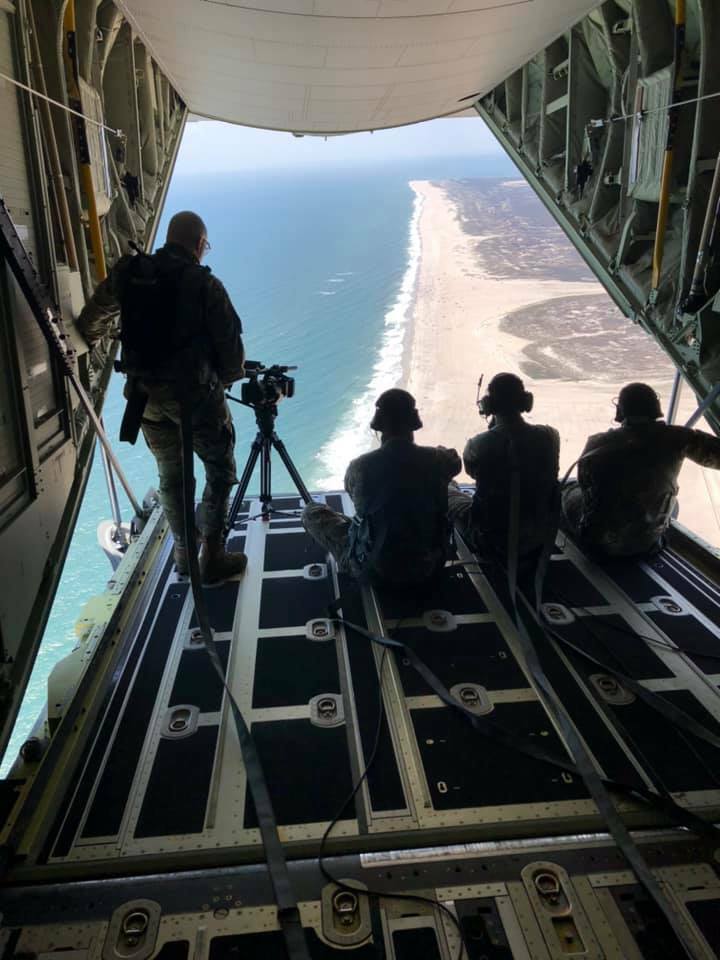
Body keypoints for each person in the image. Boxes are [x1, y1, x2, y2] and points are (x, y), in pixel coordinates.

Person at [77, 210, 248, 584]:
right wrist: (218, 379)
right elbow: (233, 361)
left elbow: (91, 323)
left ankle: (185, 555)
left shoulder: (130, 272)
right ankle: (213, 557)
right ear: (200, 245)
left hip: (143, 397)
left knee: (171, 475)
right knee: (219, 469)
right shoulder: (207, 286)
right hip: (195, 399)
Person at [302, 389, 461, 586]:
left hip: (376, 570)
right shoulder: (438, 460)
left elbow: (356, 499)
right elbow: (455, 464)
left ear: (378, 424)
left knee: (312, 512)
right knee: (450, 485)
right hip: (430, 566)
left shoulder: (360, 467)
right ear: (413, 421)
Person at [562, 382, 720, 558]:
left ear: (620, 411)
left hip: (599, 547)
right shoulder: (679, 438)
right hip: (647, 544)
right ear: (655, 407)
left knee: (569, 491)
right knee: (671, 504)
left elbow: (586, 486)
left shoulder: (596, 443)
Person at [447, 373, 560, 564]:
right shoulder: (550, 436)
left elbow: (473, 472)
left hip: (491, 543)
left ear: (488, 405)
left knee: (448, 489)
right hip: (538, 539)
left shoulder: (477, 445)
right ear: (526, 401)